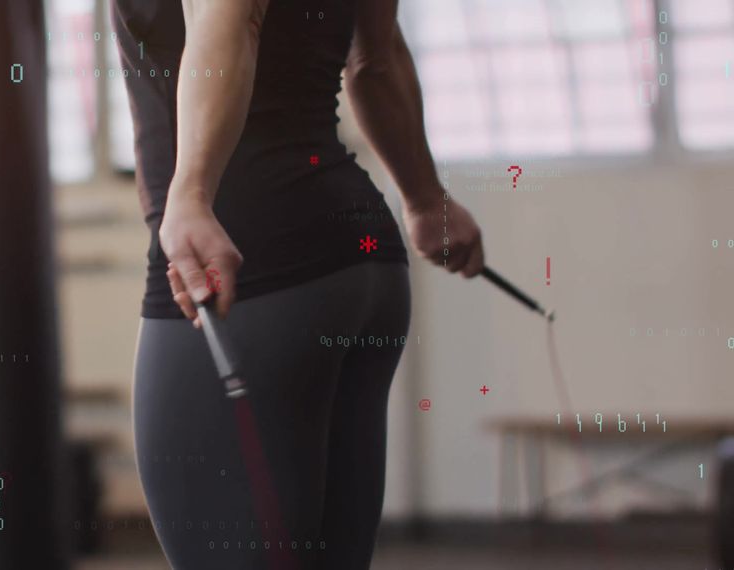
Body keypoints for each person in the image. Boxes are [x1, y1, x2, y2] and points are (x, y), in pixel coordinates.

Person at [111, 0, 484, 568]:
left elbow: (232, 17)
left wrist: (191, 193)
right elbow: (375, 59)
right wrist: (425, 199)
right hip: (357, 258)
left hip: (246, 259)